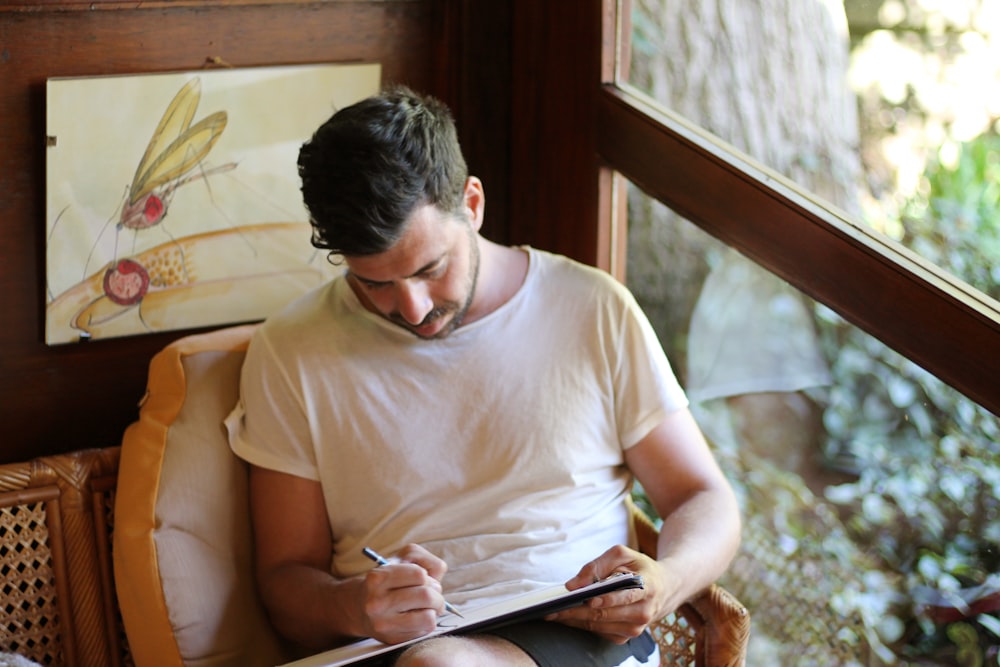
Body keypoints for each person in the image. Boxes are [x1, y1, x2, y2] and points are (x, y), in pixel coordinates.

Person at [226, 85, 741, 667]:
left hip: (573, 627)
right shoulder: (290, 350)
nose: (413, 309)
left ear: (471, 204)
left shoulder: (591, 308)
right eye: (374, 284)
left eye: (431, 268)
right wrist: (354, 607)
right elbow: (285, 582)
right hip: (383, 651)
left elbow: (705, 497)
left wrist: (666, 582)